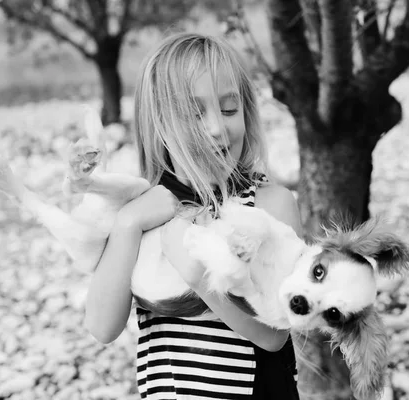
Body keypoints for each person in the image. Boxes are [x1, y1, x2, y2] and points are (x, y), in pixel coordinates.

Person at [84, 32, 302, 400]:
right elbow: (102, 327)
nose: (218, 128)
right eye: (195, 113)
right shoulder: (141, 210)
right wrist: (128, 224)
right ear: (160, 123)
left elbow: (274, 335)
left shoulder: (270, 205)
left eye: (230, 109)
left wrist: (199, 277)